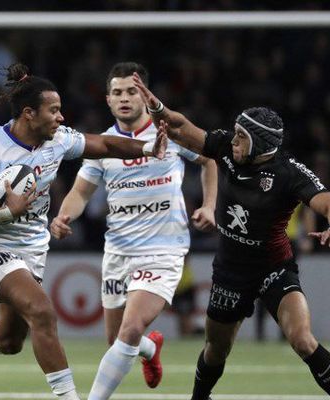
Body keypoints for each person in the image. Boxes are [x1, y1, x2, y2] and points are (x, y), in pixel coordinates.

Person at [0, 62, 168, 400]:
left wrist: (147, 148)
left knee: (9, 341)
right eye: (53, 110)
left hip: (32, 248)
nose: (60, 117)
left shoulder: (58, 140)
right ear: (29, 113)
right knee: (42, 311)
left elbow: (104, 145)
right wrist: (3, 212)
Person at [133, 72, 330, 400]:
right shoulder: (226, 149)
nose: (234, 141)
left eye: (242, 136)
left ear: (260, 143)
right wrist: (157, 108)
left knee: (302, 340)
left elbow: (329, 202)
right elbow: (182, 128)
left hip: (274, 268)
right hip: (230, 271)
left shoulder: (288, 173)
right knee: (216, 349)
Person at [49, 62, 217, 400]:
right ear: (108, 101)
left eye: (131, 91)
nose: (124, 98)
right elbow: (81, 192)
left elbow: (210, 159)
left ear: (145, 95)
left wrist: (209, 205)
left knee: (130, 328)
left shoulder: (168, 132)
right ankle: (150, 351)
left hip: (163, 251)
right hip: (118, 252)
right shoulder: (103, 145)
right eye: (117, 93)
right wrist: (63, 216)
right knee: (117, 340)